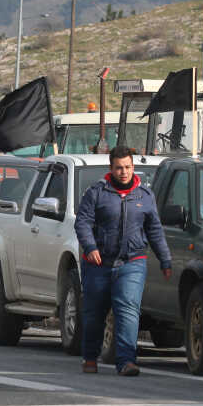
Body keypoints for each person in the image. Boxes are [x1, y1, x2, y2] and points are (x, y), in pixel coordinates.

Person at [74, 146, 172, 376]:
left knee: (128, 310)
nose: (123, 172)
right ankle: (90, 357)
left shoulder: (145, 196)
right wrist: (90, 247)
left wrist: (165, 260)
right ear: (111, 169)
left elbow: (155, 230)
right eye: (119, 168)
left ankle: (127, 361)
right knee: (94, 313)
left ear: (133, 167)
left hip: (132, 263)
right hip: (98, 264)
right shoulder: (96, 193)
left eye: (127, 167)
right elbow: (82, 222)